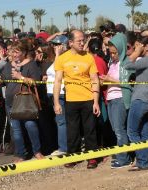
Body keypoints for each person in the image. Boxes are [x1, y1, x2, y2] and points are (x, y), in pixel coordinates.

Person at [53, 30, 100, 169]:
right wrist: (56, 102)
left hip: (88, 99)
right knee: (72, 131)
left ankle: (92, 158)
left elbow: (95, 80)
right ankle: (73, 156)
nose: (82, 43)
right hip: (71, 100)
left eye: (83, 40)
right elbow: (57, 81)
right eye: (79, 40)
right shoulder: (62, 58)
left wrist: (96, 101)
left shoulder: (89, 57)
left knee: (90, 129)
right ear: (71, 42)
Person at [0, 41, 44, 161]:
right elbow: (4, 80)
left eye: (17, 51)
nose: (14, 54)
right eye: (13, 51)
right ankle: (20, 154)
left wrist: (21, 77)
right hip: (10, 102)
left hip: (26, 101)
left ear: (24, 53)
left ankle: (37, 151)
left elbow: (36, 82)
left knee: (30, 125)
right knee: (16, 129)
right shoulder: (8, 65)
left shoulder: (31, 65)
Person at [125, 36, 148, 171]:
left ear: (146, 47)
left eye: (139, 46)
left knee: (132, 131)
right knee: (144, 131)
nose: (136, 48)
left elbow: (127, 65)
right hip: (147, 100)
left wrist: (136, 52)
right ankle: (144, 161)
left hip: (141, 99)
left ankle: (142, 161)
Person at [99, 33, 133, 169]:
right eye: (111, 53)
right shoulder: (112, 63)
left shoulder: (127, 63)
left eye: (115, 53)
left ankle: (124, 159)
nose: (112, 55)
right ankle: (122, 156)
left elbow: (128, 83)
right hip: (111, 98)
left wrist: (110, 80)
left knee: (120, 129)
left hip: (120, 98)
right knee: (115, 129)